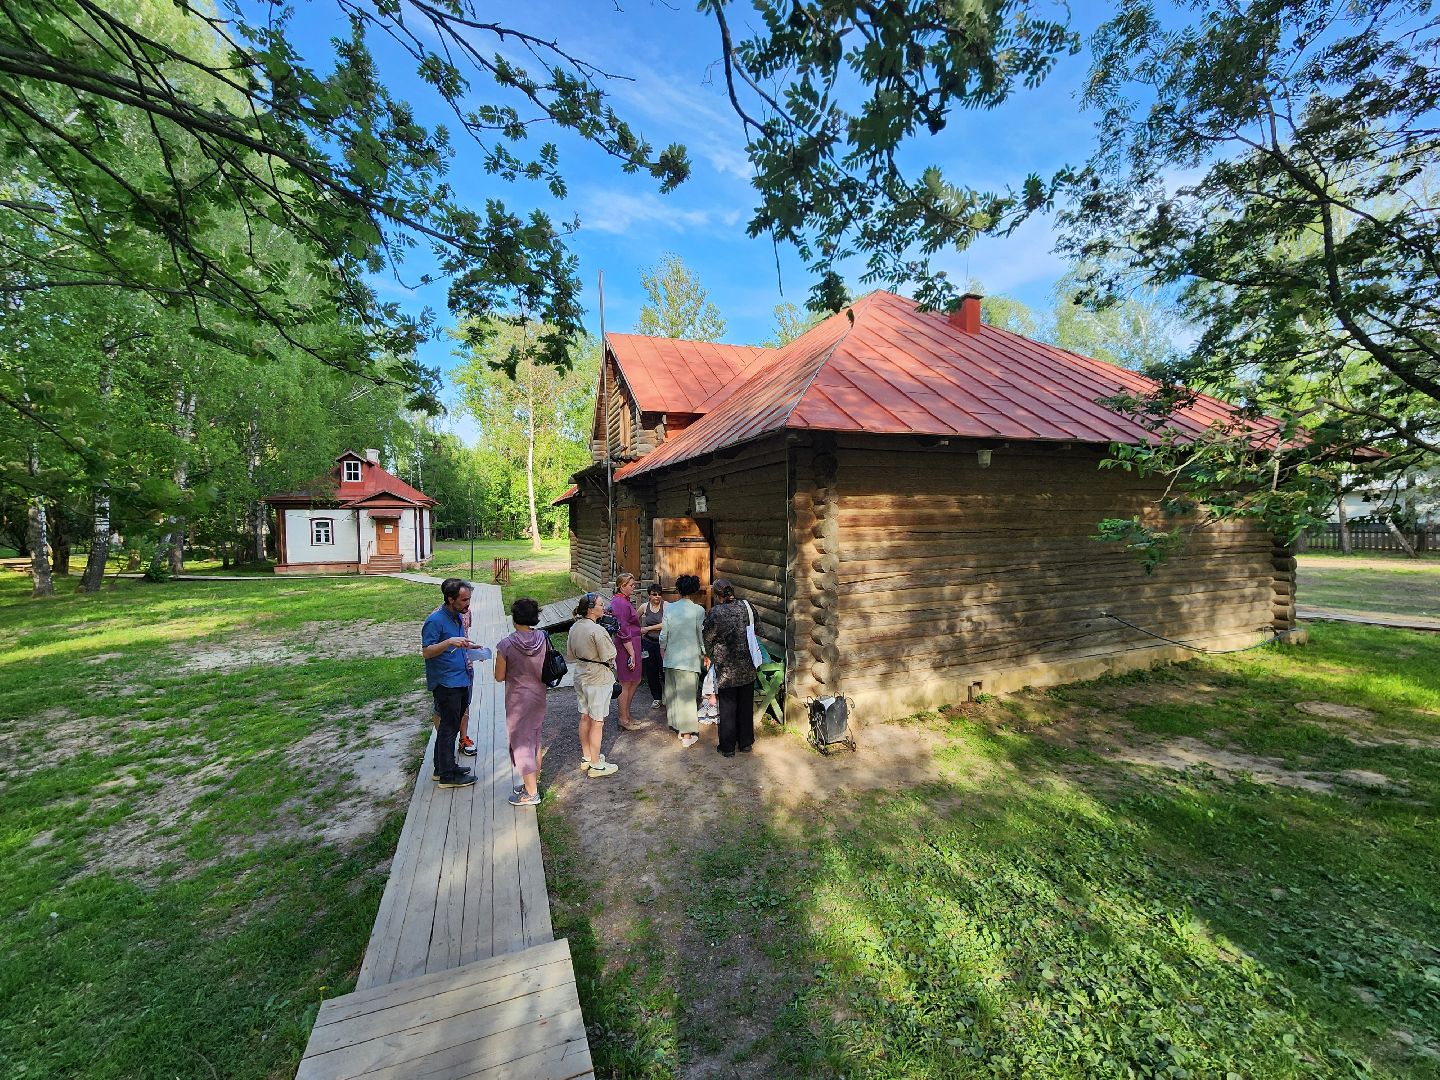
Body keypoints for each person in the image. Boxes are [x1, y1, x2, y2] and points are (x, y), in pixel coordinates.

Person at [420, 577, 478, 787]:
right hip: (446, 683)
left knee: (450, 726)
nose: (467, 604)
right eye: (463, 600)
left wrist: (468, 647)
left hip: (461, 678)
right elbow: (427, 652)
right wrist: (448, 642)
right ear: (450, 599)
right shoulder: (435, 621)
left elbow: (454, 647)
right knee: (448, 728)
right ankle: (448, 776)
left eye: (469, 599)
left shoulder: (458, 616)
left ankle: (442, 767)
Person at [494, 597, 548, 807]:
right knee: (534, 738)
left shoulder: (506, 644)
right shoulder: (543, 638)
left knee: (521, 743)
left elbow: (499, 676)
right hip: (538, 695)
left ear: (514, 618)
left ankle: (531, 793)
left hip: (518, 700)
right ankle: (531, 782)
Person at [703, 579, 758, 757]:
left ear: (718, 596)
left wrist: (710, 655)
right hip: (748, 665)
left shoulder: (716, 612)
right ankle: (745, 743)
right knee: (745, 704)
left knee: (727, 707)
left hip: (726, 667)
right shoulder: (747, 606)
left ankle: (727, 748)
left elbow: (707, 638)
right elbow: (757, 628)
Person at [567, 592, 619, 776]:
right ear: (590, 609)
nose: (603, 607)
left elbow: (571, 655)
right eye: (600, 605)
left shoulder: (574, 627)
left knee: (585, 716)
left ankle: (588, 756)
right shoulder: (597, 630)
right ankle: (596, 764)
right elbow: (610, 655)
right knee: (598, 721)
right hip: (597, 677)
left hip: (581, 673)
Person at [660, 574, 707, 748]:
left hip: (671, 657)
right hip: (689, 658)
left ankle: (678, 726)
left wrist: (663, 648)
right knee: (687, 695)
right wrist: (705, 653)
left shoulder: (669, 608)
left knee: (674, 693)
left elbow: (664, 634)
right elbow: (701, 635)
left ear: (678, 590)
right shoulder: (698, 611)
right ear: (694, 591)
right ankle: (687, 735)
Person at [609, 572, 645, 730]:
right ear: (622, 586)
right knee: (626, 681)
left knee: (635, 680)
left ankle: (627, 715)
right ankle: (623, 719)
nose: (634, 587)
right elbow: (622, 629)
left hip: (633, 643)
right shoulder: (619, 603)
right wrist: (631, 653)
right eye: (631, 585)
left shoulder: (624, 600)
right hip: (626, 645)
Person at [640, 583, 665, 709]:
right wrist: (638, 630)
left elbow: (665, 624)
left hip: (662, 643)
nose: (657, 597)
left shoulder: (666, 606)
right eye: (654, 594)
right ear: (649, 595)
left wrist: (647, 628)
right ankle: (657, 697)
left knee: (664, 669)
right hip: (648, 643)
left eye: (659, 594)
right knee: (651, 670)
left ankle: (667, 695)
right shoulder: (644, 607)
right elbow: (633, 618)